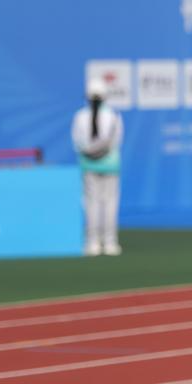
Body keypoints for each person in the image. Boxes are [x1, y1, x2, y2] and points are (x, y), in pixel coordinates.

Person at [72, 78, 124, 256]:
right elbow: (117, 142)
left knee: (91, 203)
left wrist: (90, 153)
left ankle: (92, 242)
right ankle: (110, 242)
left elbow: (77, 142)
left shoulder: (80, 116)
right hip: (110, 165)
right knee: (109, 203)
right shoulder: (114, 116)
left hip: (88, 165)